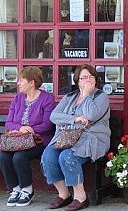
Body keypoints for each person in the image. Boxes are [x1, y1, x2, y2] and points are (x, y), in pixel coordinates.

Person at [41, 64, 110, 211]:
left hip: (92, 139)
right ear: (77, 80)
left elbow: (91, 115)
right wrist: (75, 119)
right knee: (48, 156)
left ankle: (81, 197)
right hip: (67, 138)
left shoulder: (101, 97)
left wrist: (86, 95)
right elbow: (54, 116)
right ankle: (64, 195)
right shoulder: (69, 97)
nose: (88, 80)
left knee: (66, 157)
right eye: (84, 77)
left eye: (91, 77)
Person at [0, 65, 56, 207]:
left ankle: (27, 190)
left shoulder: (47, 99)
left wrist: (30, 130)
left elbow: (48, 125)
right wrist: (20, 128)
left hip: (39, 140)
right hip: (17, 139)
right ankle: (15, 189)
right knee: (3, 155)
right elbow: (9, 122)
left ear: (32, 82)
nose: (18, 83)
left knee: (19, 157)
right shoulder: (18, 98)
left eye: (21, 80)